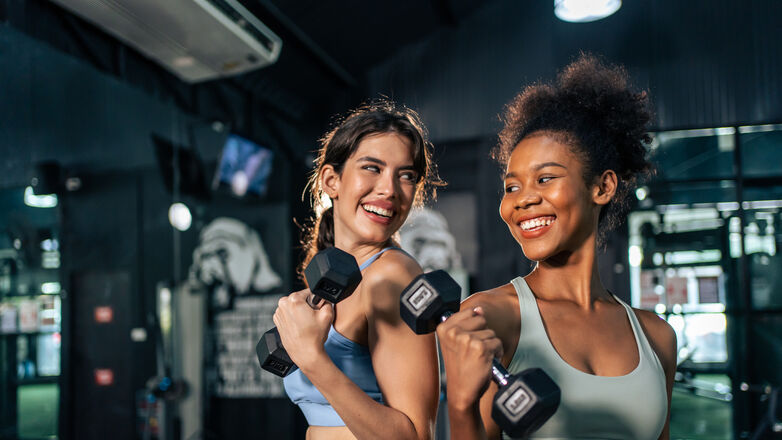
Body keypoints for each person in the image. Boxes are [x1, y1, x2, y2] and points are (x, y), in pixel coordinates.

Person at [436, 54, 677, 440]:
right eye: (511, 187)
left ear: (602, 187)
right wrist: (461, 404)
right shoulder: (492, 318)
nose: (522, 200)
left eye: (545, 178)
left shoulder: (657, 337)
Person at [273, 100, 442, 440]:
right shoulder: (332, 275)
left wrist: (312, 358)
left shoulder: (392, 274)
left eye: (405, 175)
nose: (389, 190)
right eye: (372, 168)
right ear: (331, 180)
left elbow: (415, 437)